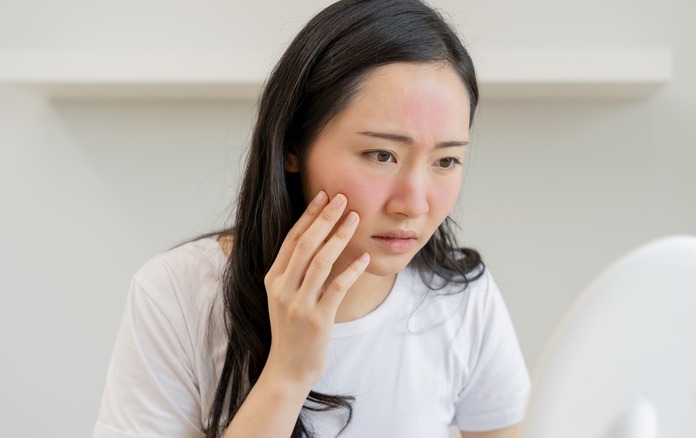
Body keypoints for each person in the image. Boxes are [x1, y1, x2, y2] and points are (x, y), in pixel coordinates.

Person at [93, 0, 531, 437]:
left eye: (447, 160)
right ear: (293, 147)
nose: (414, 204)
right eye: (382, 155)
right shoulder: (176, 296)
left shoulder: (461, 297)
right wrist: (287, 375)